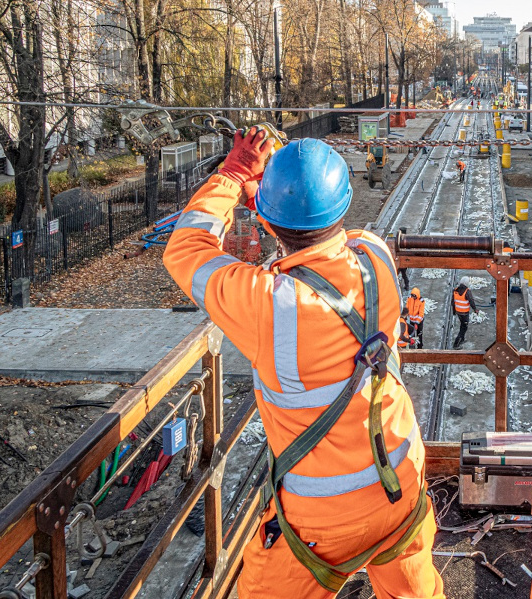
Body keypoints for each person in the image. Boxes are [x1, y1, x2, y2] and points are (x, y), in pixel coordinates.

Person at [164, 129, 444, 599]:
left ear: (273, 227)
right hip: (401, 480)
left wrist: (234, 175)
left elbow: (186, 249)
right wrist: (273, 208)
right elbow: (334, 239)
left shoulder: (267, 305)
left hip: (323, 517)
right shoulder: (375, 255)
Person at [451, 275, 479, 349]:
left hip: (458, 312)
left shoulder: (455, 290)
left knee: (462, 325)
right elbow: (471, 301)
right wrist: (475, 309)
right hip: (464, 313)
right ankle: (456, 344)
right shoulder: (467, 291)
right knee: (464, 328)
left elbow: (452, 302)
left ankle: (462, 339)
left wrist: (454, 311)